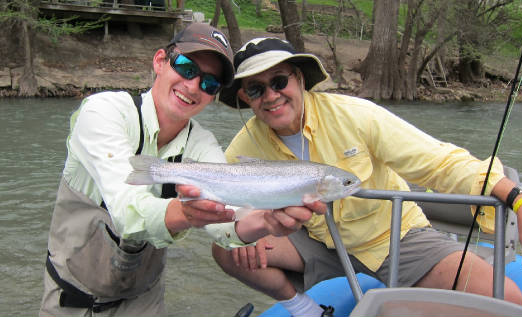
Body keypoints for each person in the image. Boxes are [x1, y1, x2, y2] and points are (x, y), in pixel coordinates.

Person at [212, 37, 522, 317]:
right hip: (319, 241)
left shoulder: (357, 115)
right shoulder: (244, 144)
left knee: (509, 304)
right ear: (244, 97)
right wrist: (242, 229)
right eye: (256, 89)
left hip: (396, 238)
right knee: (225, 249)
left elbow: (441, 162)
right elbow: (228, 208)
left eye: (278, 81)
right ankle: (305, 309)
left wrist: (521, 198)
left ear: (300, 79)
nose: (271, 96)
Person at [39, 25, 323, 316]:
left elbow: (227, 220)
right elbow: (124, 210)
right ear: (160, 61)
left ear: (213, 96)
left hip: (144, 299)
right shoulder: (104, 112)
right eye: (186, 68)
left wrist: (265, 221)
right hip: (69, 298)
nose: (193, 86)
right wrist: (183, 214)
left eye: (210, 84)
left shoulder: (202, 144)